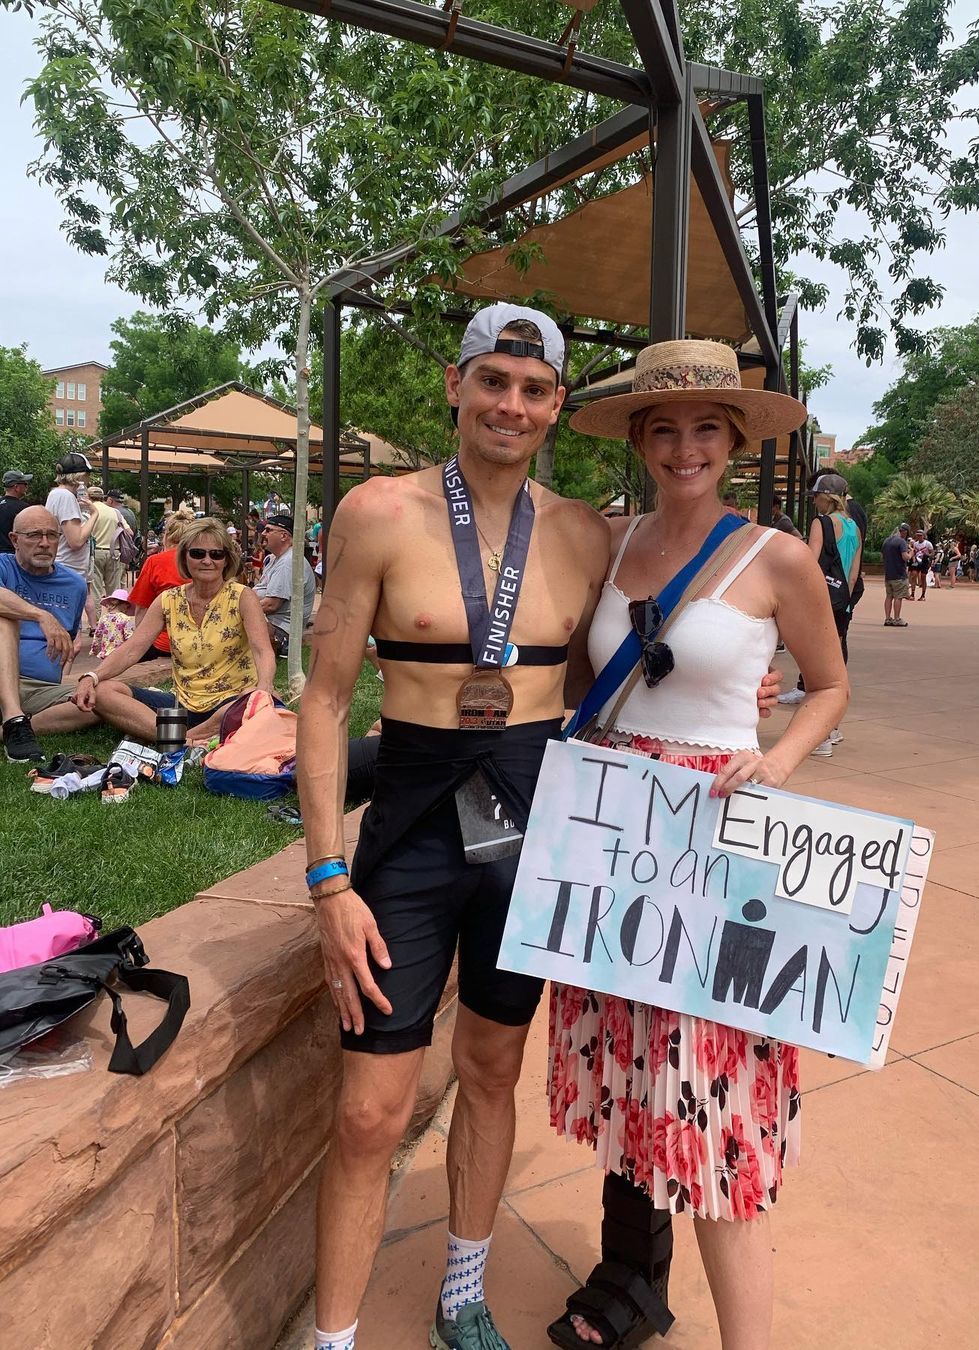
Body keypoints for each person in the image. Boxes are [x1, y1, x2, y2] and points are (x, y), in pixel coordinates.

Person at [295, 305, 785, 1350]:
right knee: (369, 1112)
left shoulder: (582, 535)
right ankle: (332, 1338)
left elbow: (621, 670)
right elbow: (326, 700)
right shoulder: (376, 513)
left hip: (532, 829)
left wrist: (745, 688)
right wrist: (328, 877)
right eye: (493, 381)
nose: (510, 405)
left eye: (532, 389)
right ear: (456, 385)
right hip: (413, 827)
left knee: (491, 1069)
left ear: (557, 404)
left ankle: (462, 1296)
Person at [546, 338, 847, 1350]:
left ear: (733, 441)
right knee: (638, 1084)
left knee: (717, 1109)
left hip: (716, 842)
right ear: (640, 440)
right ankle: (631, 1286)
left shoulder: (777, 557)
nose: (686, 448)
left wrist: (781, 754)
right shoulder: (610, 542)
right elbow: (577, 675)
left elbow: (830, 685)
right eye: (665, 429)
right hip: (614, 842)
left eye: (706, 429)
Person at [74, 517, 275, 745]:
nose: (207, 561)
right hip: (182, 704)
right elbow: (132, 649)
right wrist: (92, 676)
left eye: (216, 554)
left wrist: (264, 688)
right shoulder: (168, 600)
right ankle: (188, 739)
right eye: (197, 553)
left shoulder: (242, 596)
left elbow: (262, 651)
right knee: (104, 692)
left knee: (253, 701)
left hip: (230, 701)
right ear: (185, 557)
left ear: (226, 560)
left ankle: (179, 736)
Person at [0, 504, 101, 761]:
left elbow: (67, 642)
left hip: (41, 690)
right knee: (6, 619)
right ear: (14, 540)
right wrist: (40, 615)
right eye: (34, 535)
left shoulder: (75, 585)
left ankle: (14, 727)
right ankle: (13, 716)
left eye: (52, 535)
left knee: (99, 701)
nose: (44, 543)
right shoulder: (3, 566)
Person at [800, 473, 861, 757]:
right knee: (836, 668)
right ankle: (833, 728)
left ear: (827, 496)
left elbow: (809, 565)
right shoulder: (853, 527)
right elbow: (853, 574)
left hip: (820, 603)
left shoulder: (821, 523)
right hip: (842, 604)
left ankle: (820, 736)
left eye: (816, 495)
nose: (814, 501)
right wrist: (844, 603)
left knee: (817, 673)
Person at [126, 506, 193, 664]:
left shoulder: (155, 562)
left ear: (166, 536)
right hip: (199, 643)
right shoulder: (203, 561)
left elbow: (141, 608)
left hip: (163, 643)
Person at [46, 451, 100, 633]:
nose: (89, 479)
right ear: (80, 476)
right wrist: (94, 514)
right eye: (87, 475)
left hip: (62, 567)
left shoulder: (56, 494)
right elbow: (76, 541)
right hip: (69, 570)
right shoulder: (66, 497)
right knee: (70, 633)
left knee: (64, 629)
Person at [253, 513, 317, 656]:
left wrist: (241, 608)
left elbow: (271, 605)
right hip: (269, 624)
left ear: (283, 536)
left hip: (280, 633)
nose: (263, 533)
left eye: (268, 530)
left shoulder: (288, 562)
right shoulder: (273, 558)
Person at [89, 587, 136, 660]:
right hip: (120, 653)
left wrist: (94, 650)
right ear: (124, 604)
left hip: (105, 653)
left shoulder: (103, 618)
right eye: (127, 607)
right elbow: (129, 637)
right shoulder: (126, 619)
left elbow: (98, 636)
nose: (127, 609)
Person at [883, 523, 913, 627]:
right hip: (899, 574)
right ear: (905, 532)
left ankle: (887, 618)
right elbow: (905, 557)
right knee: (898, 597)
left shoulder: (886, 541)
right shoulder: (901, 541)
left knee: (889, 597)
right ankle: (897, 619)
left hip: (888, 574)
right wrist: (911, 554)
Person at [0, 469, 35, 553]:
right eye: (25, 484)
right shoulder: (23, 508)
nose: (27, 487)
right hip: (13, 555)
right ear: (16, 487)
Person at [908, 528, 933, 601]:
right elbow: (914, 552)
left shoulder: (927, 543)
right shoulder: (915, 544)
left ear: (923, 536)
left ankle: (923, 595)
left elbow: (932, 553)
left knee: (923, 577)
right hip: (916, 561)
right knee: (914, 575)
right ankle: (912, 594)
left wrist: (927, 555)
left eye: (920, 535)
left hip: (924, 561)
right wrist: (913, 559)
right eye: (917, 535)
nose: (919, 537)